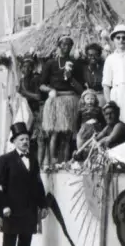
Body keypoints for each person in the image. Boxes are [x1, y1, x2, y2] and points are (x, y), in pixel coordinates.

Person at [0, 122, 49, 246]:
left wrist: (43, 204)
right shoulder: (5, 160)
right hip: (11, 210)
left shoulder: (32, 159)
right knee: (9, 242)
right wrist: (3, 206)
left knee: (25, 241)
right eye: (21, 139)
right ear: (14, 141)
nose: (25, 142)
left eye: (26, 139)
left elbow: (37, 184)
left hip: (29, 208)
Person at [40, 35, 85, 165]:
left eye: (69, 44)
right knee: (54, 134)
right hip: (55, 99)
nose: (66, 47)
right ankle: (52, 163)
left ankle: (64, 163)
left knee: (67, 135)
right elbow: (41, 85)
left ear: (72, 46)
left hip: (71, 99)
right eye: (63, 44)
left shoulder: (76, 64)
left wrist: (70, 78)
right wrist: (50, 90)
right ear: (59, 46)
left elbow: (81, 89)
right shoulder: (51, 63)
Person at [15, 53, 48, 167]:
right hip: (25, 114)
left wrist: (25, 93)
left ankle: (39, 165)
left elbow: (38, 97)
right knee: (25, 139)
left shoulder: (36, 78)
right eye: (24, 66)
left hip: (37, 112)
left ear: (33, 67)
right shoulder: (21, 81)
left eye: (29, 66)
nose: (27, 68)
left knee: (40, 139)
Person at [81, 43, 106, 107]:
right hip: (87, 99)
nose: (93, 57)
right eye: (90, 55)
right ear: (86, 56)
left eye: (96, 55)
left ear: (99, 55)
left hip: (101, 98)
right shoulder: (83, 69)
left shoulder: (103, 68)